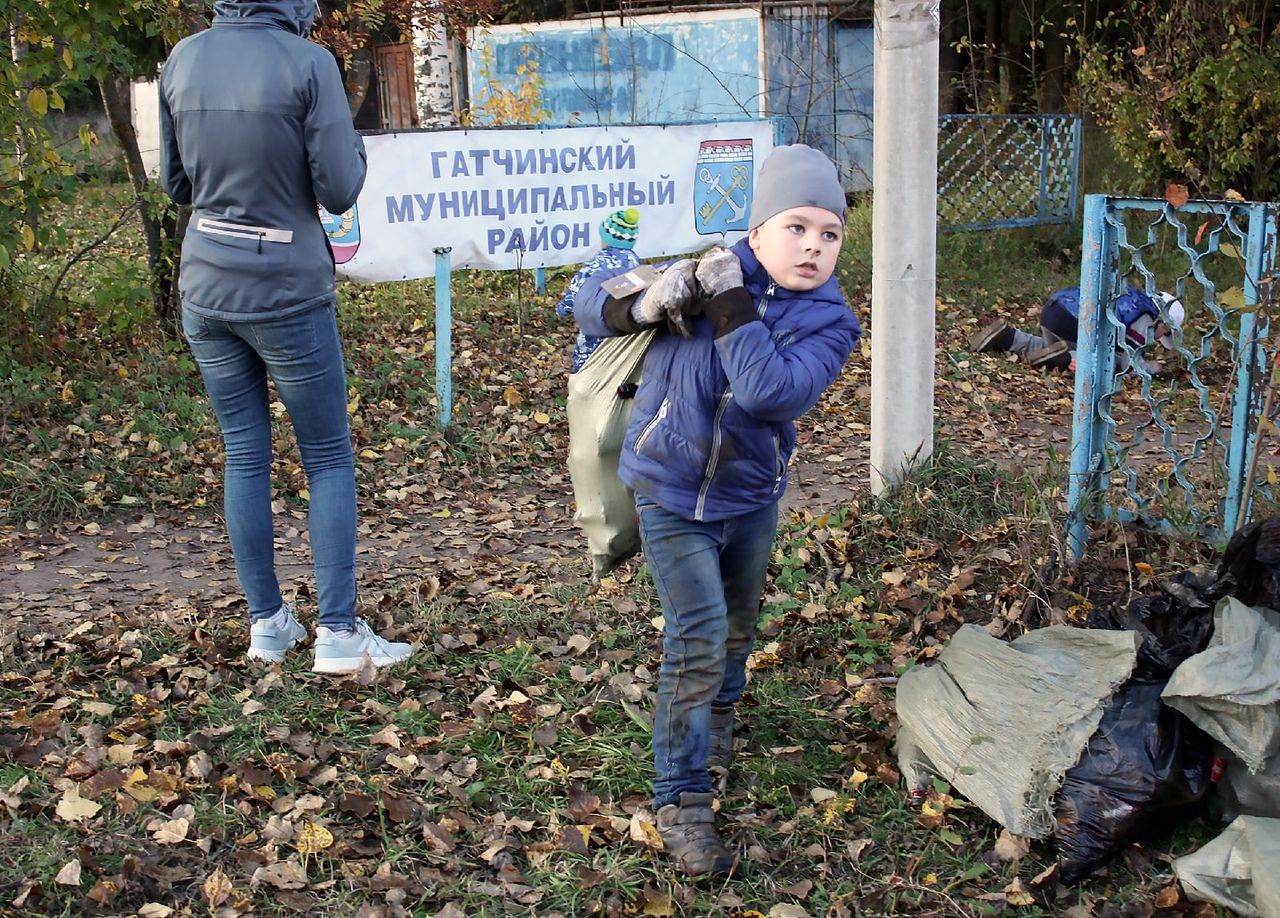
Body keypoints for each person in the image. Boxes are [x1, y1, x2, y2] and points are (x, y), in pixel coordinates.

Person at [574, 144, 861, 876]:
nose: (812, 247)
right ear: (758, 228)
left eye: (829, 235)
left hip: (749, 497)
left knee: (735, 628)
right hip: (668, 490)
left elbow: (769, 392)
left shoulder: (831, 322)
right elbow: (582, 300)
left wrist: (729, 301)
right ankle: (680, 797)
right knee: (697, 635)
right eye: (796, 227)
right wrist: (643, 301)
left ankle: (721, 716)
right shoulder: (705, 271)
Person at [158, 0, 411, 675]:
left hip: (207, 287)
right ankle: (337, 632)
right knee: (326, 455)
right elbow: (340, 187)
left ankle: (268, 626)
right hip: (286, 290)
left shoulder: (183, 58)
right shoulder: (308, 62)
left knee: (245, 453)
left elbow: (175, 182)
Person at [971, 285, 1184, 374]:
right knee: (1102, 362)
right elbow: (1130, 367)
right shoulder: (1145, 316)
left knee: (1048, 346)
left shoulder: (1128, 294)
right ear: (1163, 321)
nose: (1158, 339)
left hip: (1054, 310)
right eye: (1164, 334)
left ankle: (1009, 337)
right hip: (1074, 321)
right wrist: (1151, 368)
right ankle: (1064, 359)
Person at [556, 207, 643, 372]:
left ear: (606, 237)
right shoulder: (634, 261)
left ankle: (583, 387)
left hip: (597, 321)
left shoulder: (596, 263)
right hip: (624, 323)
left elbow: (577, 290)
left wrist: (562, 309)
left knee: (586, 361)